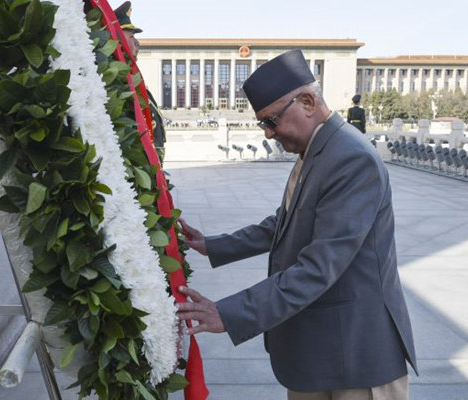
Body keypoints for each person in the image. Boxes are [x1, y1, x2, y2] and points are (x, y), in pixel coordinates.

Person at [176, 49, 417, 399]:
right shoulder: (319, 148)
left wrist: (228, 313)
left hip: (356, 351)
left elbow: (319, 267)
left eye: (271, 121)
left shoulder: (351, 158)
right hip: (321, 345)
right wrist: (214, 244)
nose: (268, 134)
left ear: (307, 101)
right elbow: (285, 221)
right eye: (263, 124)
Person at [114, 1, 167, 164]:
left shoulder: (133, 81)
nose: (138, 43)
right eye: (132, 36)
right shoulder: (117, 84)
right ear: (118, 40)